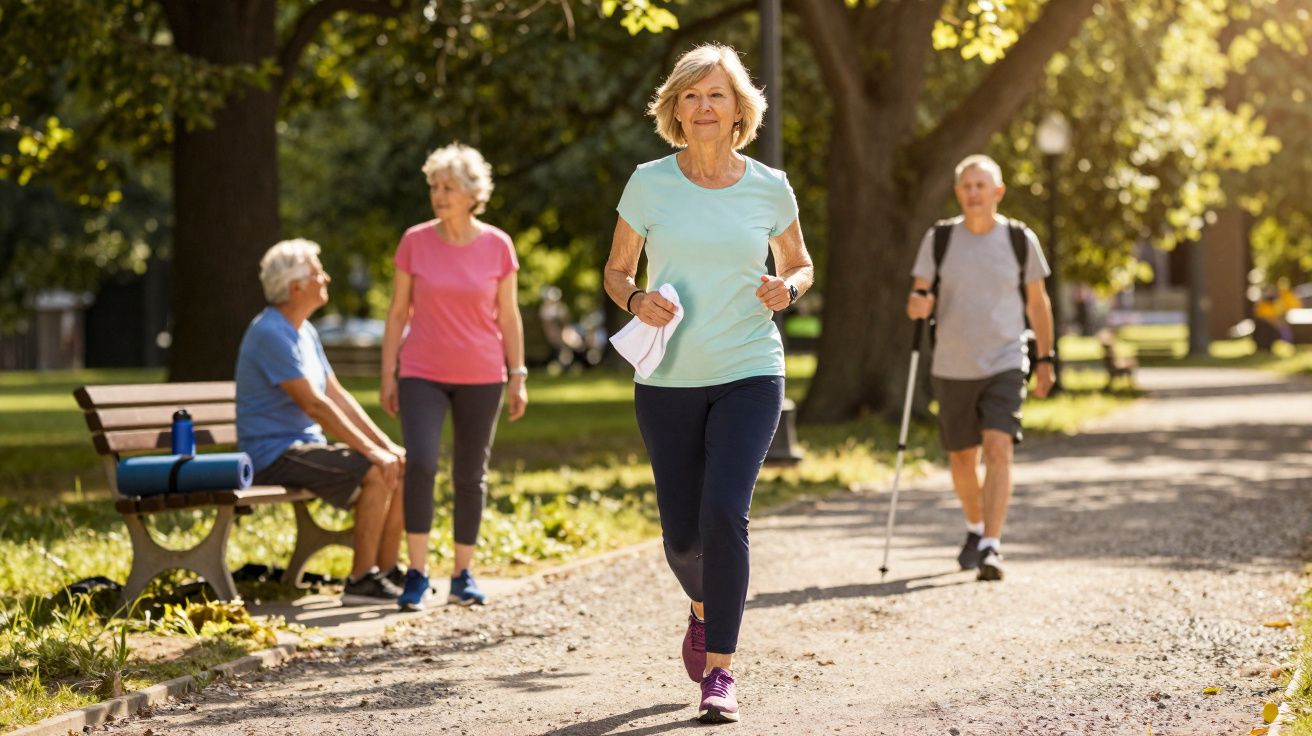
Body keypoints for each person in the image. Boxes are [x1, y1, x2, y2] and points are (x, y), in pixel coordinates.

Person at [603, 43, 814, 725]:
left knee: (726, 512)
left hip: (751, 367)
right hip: (667, 377)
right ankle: (700, 606)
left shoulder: (769, 186)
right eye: (690, 96)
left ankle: (720, 671)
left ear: (737, 109)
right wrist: (635, 301)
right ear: (675, 108)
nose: (702, 107)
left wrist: (788, 289)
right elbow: (615, 272)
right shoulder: (648, 183)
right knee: (680, 537)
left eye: (715, 95)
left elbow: (802, 264)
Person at [381, 143, 527, 613]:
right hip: (421, 371)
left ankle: (462, 574)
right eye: (434, 187)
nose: (438, 195)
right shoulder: (414, 241)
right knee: (421, 462)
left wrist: (517, 373)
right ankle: (418, 574)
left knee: (469, 474)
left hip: (482, 373)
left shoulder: (497, 245)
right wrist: (389, 373)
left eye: (447, 187)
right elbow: (397, 311)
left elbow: (509, 316)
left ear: (471, 193)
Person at [905, 154, 1056, 583]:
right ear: (958, 193)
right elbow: (918, 297)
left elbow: (1037, 304)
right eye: (966, 186)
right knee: (960, 459)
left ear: (998, 192)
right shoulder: (939, 239)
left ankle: (991, 543)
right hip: (952, 364)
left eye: (980, 185)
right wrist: (918, 304)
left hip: (1006, 360)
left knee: (998, 448)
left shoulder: (1018, 239)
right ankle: (974, 528)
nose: (973, 193)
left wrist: (1044, 360)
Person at [235, 239, 407, 604]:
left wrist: (387, 446)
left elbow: (337, 395)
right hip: (273, 454)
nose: (325, 277)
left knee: (400, 464)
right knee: (375, 471)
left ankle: (387, 572)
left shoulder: (305, 331)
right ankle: (362, 580)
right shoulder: (269, 333)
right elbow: (315, 406)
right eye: (316, 271)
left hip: (302, 447)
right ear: (296, 287)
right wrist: (374, 455)